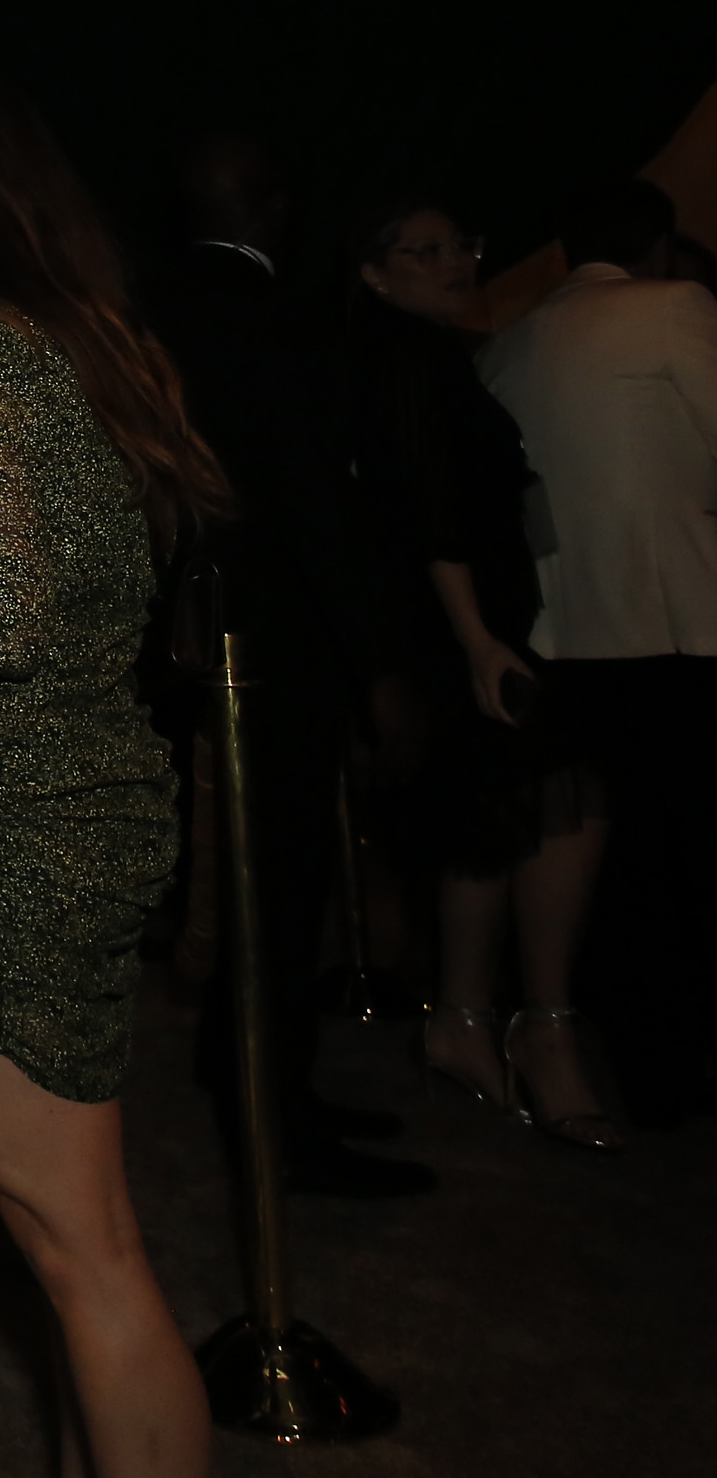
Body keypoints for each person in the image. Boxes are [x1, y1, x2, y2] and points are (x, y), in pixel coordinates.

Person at [0, 71, 220, 1478]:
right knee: (89, 1245)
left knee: (87, 1259)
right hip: (92, 791)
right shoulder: (90, 343)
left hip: (8, 827)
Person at [151, 133, 431, 1196]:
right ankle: (277, 1117)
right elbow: (321, 507)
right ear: (276, 207)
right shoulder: (276, 319)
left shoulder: (157, 307)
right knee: (282, 879)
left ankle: (253, 1087)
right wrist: (383, 664)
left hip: (198, 631)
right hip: (280, 636)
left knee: (245, 874)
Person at [343, 198, 618, 1147]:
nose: (454, 261)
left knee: (499, 815)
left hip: (471, 630)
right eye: (423, 250)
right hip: (464, 633)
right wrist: (474, 641)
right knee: (557, 803)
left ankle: (468, 1021)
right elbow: (431, 511)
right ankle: (537, 1027)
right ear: (375, 273)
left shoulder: (425, 354)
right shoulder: (408, 360)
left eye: (460, 243)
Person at [480, 177, 717, 1127]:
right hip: (676, 624)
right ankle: (684, 1060)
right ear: (660, 244)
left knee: (618, 866)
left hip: (564, 633)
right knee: (686, 854)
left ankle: (650, 1065)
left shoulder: (512, 341)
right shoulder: (672, 307)